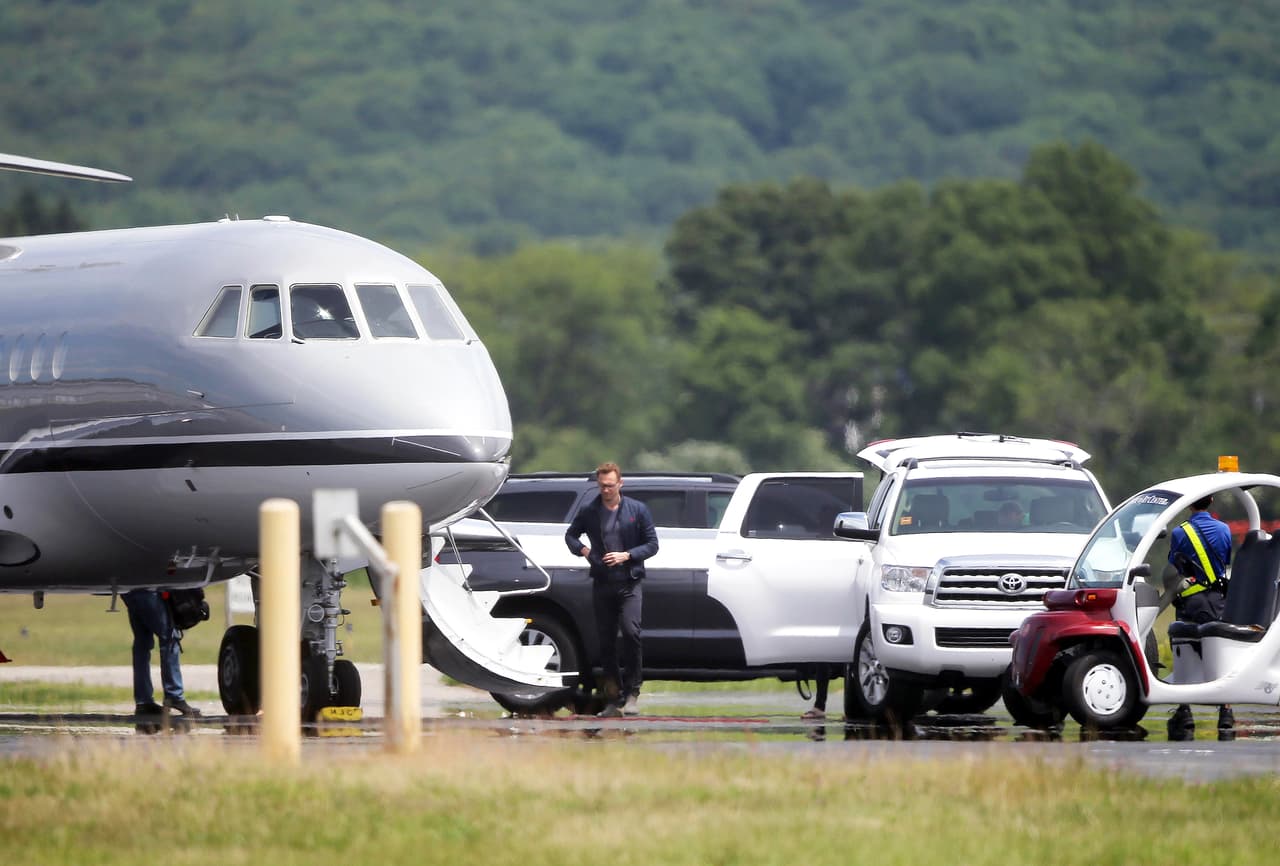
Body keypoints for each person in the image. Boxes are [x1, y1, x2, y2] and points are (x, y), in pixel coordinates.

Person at [565, 462, 659, 717]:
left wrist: (626, 555)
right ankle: (613, 696)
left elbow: (652, 545)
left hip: (629, 581)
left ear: (620, 484)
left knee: (631, 632)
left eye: (610, 485)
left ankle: (633, 692)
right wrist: (585, 551)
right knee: (606, 642)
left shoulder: (637, 510)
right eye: (602, 486)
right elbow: (571, 536)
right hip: (602, 583)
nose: (606, 490)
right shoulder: (590, 510)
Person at [1166, 494, 1233, 741]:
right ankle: (1226, 711)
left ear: (1190, 503)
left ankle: (1185, 711)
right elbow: (1224, 561)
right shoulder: (1224, 530)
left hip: (1190, 601)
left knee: (1184, 648)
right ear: (1213, 500)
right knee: (1218, 652)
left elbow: (1175, 567)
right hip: (1218, 600)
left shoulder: (1179, 533)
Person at [122, 588, 201, 717]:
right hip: (149, 590)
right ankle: (174, 695)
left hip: (129, 590)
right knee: (169, 637)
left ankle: (143, 701)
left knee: (142, 644)